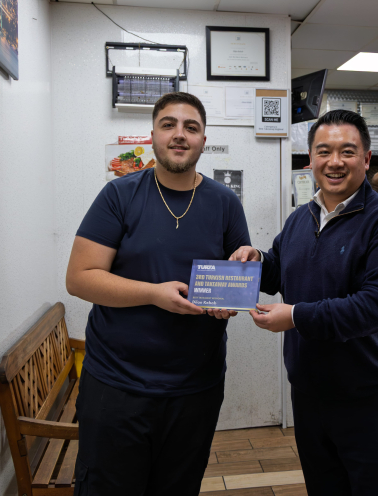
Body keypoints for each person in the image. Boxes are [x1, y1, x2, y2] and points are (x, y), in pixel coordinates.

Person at [65, 92, 250, 495]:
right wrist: (153, 294)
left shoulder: (225, 203)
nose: (179, 134)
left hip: (195, 389)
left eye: (191, 127)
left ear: (203, 140)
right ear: (153, 136)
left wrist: (234, 291)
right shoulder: (119, 195)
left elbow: (236, 276)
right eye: (169, 125)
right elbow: (79, 278)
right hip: (116, 386)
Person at [229, 109, 378, 496]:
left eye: (347, 151)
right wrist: (256, 260)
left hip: (370, 399)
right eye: (324, 151)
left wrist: (296, 316)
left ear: (366, 159)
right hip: (309, 396)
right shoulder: (301, 218)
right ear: (311, 159)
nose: (335, 162)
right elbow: (280, 272)